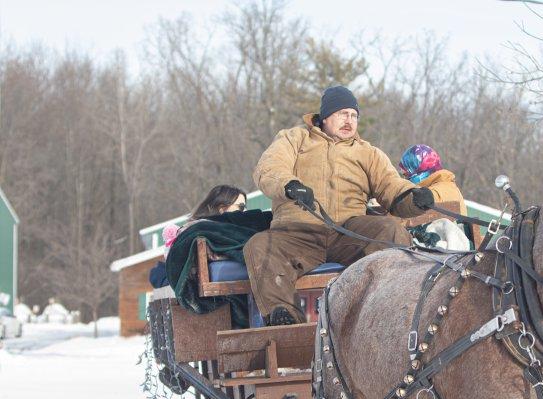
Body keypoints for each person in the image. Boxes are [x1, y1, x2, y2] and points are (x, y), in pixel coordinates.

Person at [243, 85, 435, 326]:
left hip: (348, 231)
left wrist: (412, 198)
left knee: (390, 230)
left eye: (354, 116)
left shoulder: (368, 153)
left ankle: (392, 307)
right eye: (343, 114)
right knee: (259, 246)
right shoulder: (295, 138)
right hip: (298, 233)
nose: (349, 121)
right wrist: (289, 185)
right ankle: (285, 318)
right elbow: (269, 168)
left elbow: (391, 186)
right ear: (325, 117)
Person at [150, 185, 248, 288]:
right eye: (241, 207)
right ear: (222, 209)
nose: (245, 211)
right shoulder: (205, 229)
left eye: (245, 207)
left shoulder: (205, 228)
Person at [397, 144, 476, 247]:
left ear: (419, 172)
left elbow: (410, 217)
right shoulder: (442, 186)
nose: (405, 179)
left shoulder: (439, 191)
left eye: (406, 175)